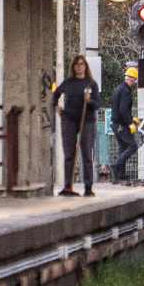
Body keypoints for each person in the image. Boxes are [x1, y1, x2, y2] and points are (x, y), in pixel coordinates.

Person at [52, 55, 100, 196]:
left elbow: (97, 104)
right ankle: (68, 186)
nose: (79, 66)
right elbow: (55, 94)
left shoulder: (91, 84)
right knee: (69, 154)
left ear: (85, 66)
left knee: (86, 154)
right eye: (77, 64)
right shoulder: (68, 82)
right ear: (73, 67)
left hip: (87, 120)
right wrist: (57, 108)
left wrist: (89, 100)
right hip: (69, 120)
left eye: (82, 64)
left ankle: (88, 187)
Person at [111, 67, 139, 182]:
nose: (135, 83)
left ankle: (120, 175)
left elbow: (120, 109)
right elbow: (123, 110)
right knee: (133, 146)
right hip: (122, 125)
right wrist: (130, 123)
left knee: (123, 148)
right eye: (135, 80)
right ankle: (116, 166)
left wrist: (132, 119)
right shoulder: (126, 91)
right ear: (132, 79)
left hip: (116, 124)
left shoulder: (119, 88)